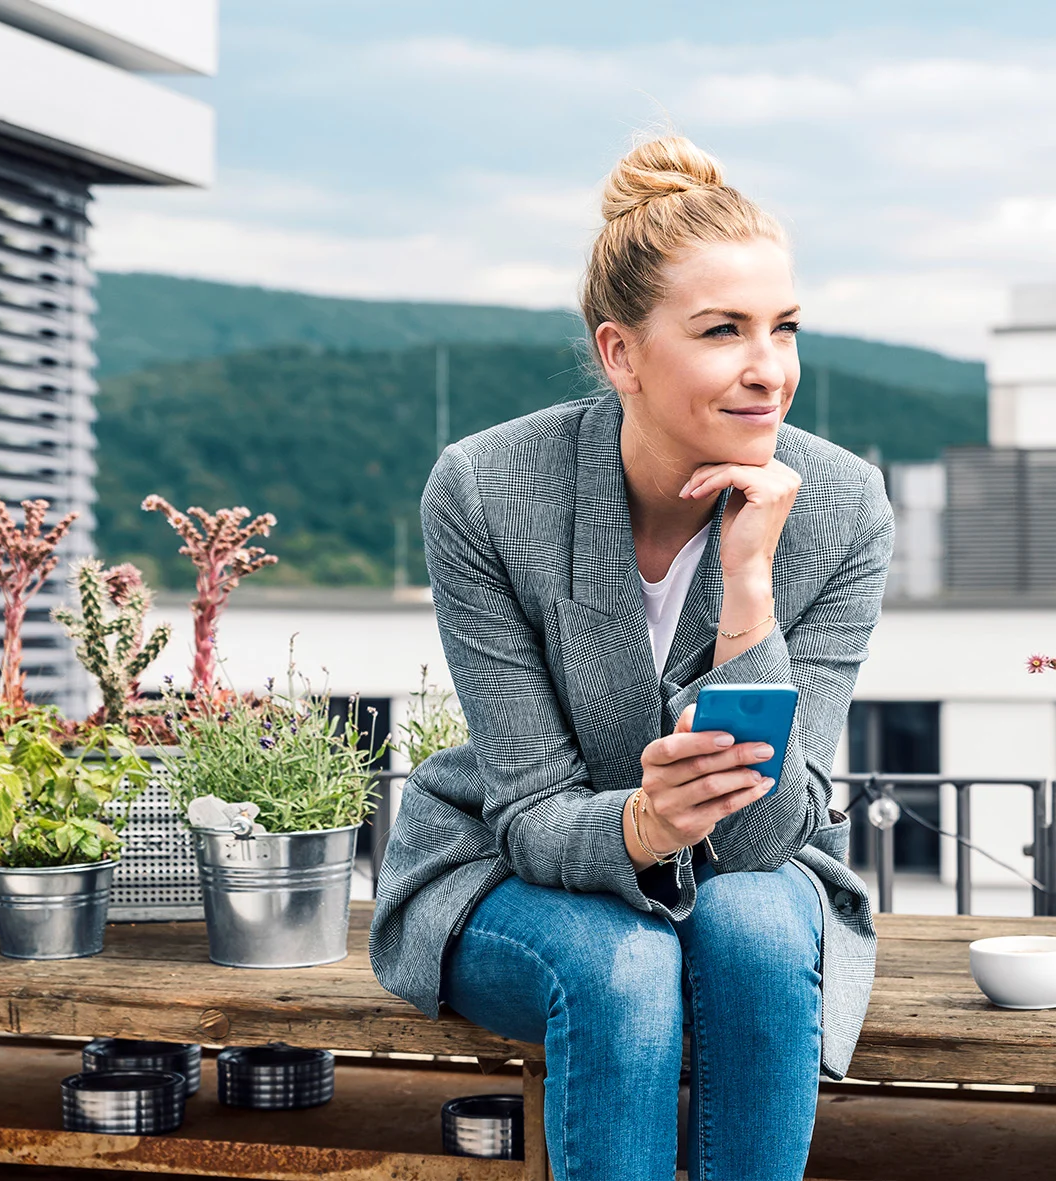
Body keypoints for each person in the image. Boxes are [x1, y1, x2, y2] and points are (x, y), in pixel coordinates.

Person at [370, 133, 891, 1181]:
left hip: (751, 861)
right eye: (722, 331)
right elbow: (527, 809)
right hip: (510, 861)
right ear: (621, 355)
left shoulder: (838, 508)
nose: (768, 369)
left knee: (749, 927)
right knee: (623, 964)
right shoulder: (486, 490)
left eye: (783, 329)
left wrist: (750, 592)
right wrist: (642, 823)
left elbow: (776, 830)